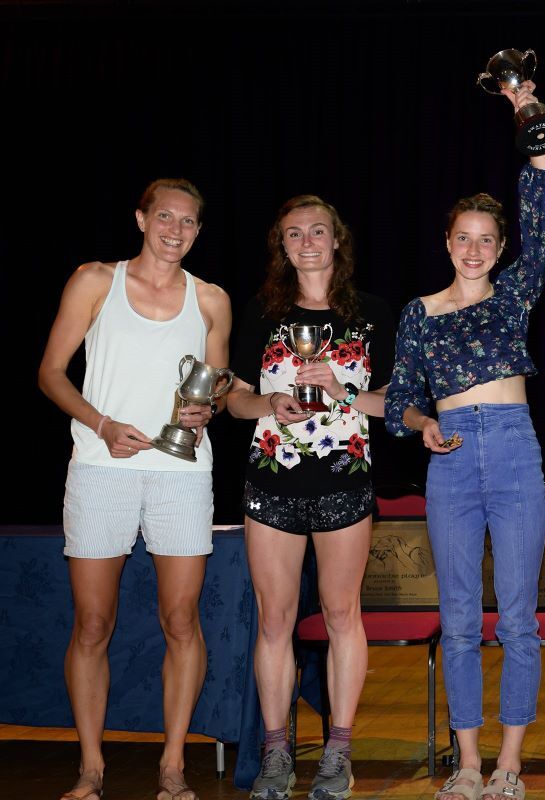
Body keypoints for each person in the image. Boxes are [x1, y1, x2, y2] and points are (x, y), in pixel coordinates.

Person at [385, 81, 545, 800]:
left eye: (488, 240)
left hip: (516, 449)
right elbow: (399, 396)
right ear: (447, 241)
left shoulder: (515, 292)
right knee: (459, 618)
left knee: (518, 619)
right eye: (464, 237)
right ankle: (466, 762)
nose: (475, 249)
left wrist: (530, 118)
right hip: (451, 454)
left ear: (499, 249)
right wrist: (422, 423)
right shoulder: (420, 312)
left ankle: (510, 765)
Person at [37, 178, 232, 800]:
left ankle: (173, 765)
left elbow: (217, 385)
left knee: (181, 618)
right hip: (100, 467)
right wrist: (100, 424)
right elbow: (49, 372)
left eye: (189, 222)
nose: (176, 230)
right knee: (93, 623)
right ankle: (91, 768)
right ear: (142, 219)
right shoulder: (96, 281)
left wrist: (208, 412)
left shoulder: (211, 300)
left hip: (182, 471)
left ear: (199, 231)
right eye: (166, 217)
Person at [225, 194, 394, 800]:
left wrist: (343, 389)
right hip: (272, 479)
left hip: (344, 481)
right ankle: (275, 754)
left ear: (337, 240)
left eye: (317, 231)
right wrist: (267, 403)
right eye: (294, 233)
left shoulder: (371, 314)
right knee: (275, 620)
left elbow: (393, 405)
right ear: (282, 245)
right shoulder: (262, 314)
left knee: (343, 614)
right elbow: (234, 399)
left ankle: (337, 753)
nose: (306, 241)